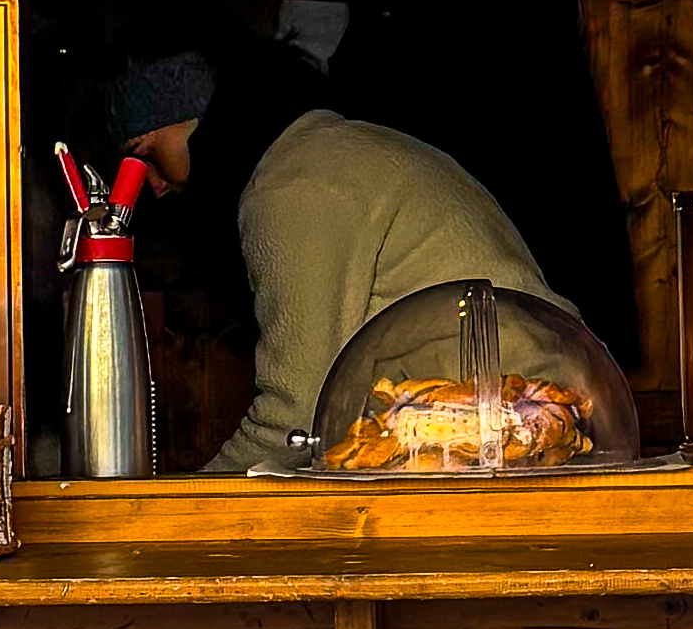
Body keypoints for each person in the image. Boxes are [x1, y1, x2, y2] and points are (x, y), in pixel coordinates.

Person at [109, 34, 557, 474]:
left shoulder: (289, 186)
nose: (153, 185)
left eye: (144, 153)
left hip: (505, 432)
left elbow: (295, 418)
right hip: (538, 405)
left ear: (185, 120)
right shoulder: (329, 148)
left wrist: (187, 505)